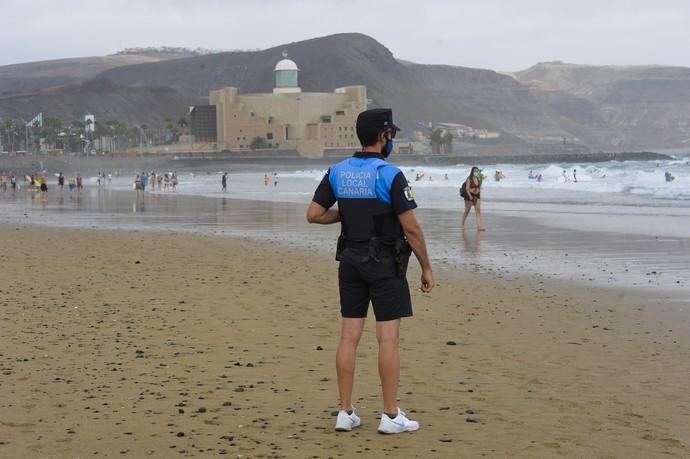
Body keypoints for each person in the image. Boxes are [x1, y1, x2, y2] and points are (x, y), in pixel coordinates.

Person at [307, 108, 434, 435]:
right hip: (383, 263)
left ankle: (345, 412)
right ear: (381, 136)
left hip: (349, 260)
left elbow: (314, 214)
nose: (391, 138)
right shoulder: (389, 175)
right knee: (387, 338)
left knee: (349, 335)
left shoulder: (338, 171)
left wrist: (346, 216)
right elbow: (412, 229)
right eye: (390, 133)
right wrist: (426, 267)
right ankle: (390, 415)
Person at [460, 166, 484, 231]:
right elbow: (467, 189)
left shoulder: (479, 178)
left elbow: (479, 187)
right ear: (472, 172)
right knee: (467, 211)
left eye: (477, 171)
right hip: (469, 196)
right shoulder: (469, 179)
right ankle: (462, 223)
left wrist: (479, 197)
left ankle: (479, 227)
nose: (476, 172)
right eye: (475, 171)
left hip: (477, 195)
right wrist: (471, 197)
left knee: (478, 211)